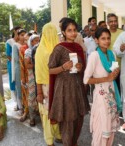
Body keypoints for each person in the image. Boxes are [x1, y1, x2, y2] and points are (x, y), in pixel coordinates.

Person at [48, 18, 90, 146]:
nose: (72, 33)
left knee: (78, 119)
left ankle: (74, 142)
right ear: (64, 32)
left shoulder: (78, 47)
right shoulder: (59, 49)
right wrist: (63, 68)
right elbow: (50, 70)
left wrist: (80, 67)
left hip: (77, 87)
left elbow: (82, 66)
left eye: (74, 30)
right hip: (64, 89)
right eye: (69, 30)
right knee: (67, 120)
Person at [83, 28, 121, 146]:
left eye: (108, 38)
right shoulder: (94, 56)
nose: (106, 41)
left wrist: (116, 73)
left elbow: (112, 74)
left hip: (111, 93)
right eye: (103, 38)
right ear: (96, 40)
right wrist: (107, 78)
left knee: (110, 126)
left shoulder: (111, 54)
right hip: (101, 95)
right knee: (101, 128)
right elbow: (86, 80)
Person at [35, 23, 62, 146]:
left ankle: (58, 134)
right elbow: (39, 73)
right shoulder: (40, 51)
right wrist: (39, 92)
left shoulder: (59, 48)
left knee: (57, 111)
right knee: (47, 114)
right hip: (46, 87)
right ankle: (49, 140)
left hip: (59, 85)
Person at [24, 34, 40, 126]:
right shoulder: (28, 51)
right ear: (31, 42)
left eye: (38, 40)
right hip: (32, 77)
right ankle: (32, 118)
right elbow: (27, 65)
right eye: (35, 40)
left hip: (40, 76)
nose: (37, 42)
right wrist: (38, 65)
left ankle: (40, 113)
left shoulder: (41, 50)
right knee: (32, 97)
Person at [5, 26, 21, 110]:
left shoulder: (22, 42)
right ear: (14, 31)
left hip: (21, 65)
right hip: (12, 66)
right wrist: (15, 64)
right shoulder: (9, 42)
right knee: (13, 83)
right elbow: (8, 55)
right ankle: (16, 103)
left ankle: (21, 102)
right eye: (18, 30)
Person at [12, 29, 26, 116]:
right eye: (21, 35)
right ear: (18, 36)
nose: (23, 36)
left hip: (27, 69)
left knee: (26, 88)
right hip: (19, 69)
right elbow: (16, 59)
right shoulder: (15, 45)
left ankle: (27, 106)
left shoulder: (27, 44)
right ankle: (21, 107)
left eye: (25, 35)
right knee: (19, 88)